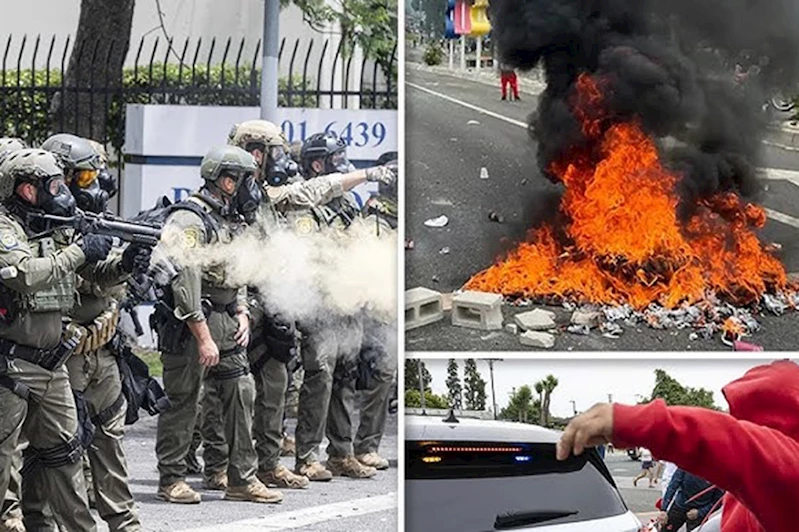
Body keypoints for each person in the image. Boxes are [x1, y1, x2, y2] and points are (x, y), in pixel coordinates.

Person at [20, 134, 146, 531]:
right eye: (85, 176)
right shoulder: (33, 225)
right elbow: (46, 278)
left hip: (100, 347)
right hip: (61, 351)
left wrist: (126, 262)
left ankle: (123, 521)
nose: (94, 186)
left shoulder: (81, 221)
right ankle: (38, 519)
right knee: (56, 446)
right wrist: (83, 251)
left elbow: (99, 276)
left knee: (108, 435)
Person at [152, 145, 281, 505]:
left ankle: (242, 479)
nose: (250, 188)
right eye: (244, 180)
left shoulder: (230, 218)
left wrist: (241, 309)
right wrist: (203, 335)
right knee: (184, 401)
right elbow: (185, 280)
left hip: (226, 319)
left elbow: (236, 269)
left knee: (241, 393)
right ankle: (172, 479)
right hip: (193, 324)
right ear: (225, 180)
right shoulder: (190, 220)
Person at [0, 148, 119, 532]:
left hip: (53, 363)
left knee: (66, 453)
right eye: (52, 185)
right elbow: (23, 274)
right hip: (10, 363)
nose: (62, 193)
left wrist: (124, 263)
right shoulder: (5, 228)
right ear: (26, 189)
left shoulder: (54, 227)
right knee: (3, 458)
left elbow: (91, 275)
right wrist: (79, 250)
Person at [556, 359, 799, 532]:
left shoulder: (785, 476)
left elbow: (741, 449)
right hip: (684, 510)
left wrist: (639, 423)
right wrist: (665, 506)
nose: (736, 421)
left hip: (696, 513)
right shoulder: (752, 488)